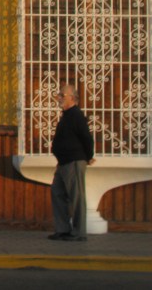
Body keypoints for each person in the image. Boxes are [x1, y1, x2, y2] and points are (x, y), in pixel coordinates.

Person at [49, 84, 95, 241]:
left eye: (62, 95)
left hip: (74, 161)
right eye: (59, 94)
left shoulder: (76, 115)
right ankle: (63, 229)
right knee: (57, 193)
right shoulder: (66, 115)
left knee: (76, 198)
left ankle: (79, 232)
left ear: (72, 97)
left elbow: (87, 138)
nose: (59, 97)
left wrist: (88, 156)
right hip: (63, 162)